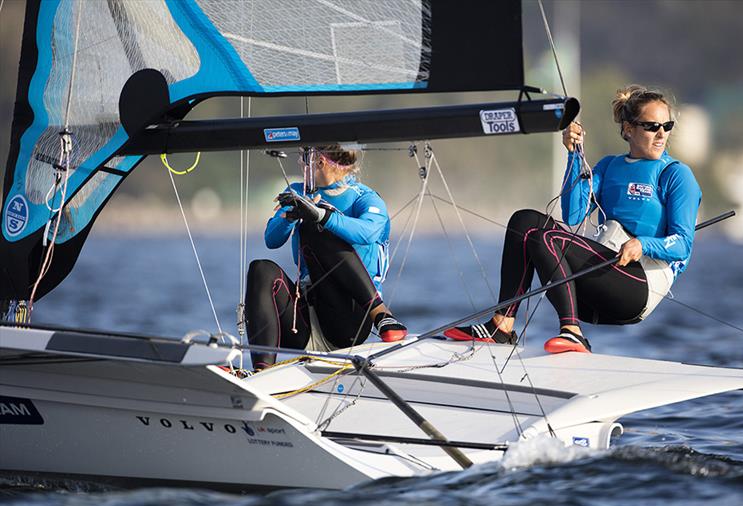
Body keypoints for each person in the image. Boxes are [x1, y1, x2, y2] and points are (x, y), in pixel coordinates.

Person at [445, 85, 702, 353]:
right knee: (524, 222)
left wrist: (642, 244)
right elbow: (573, 214)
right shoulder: (608, 166)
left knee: (546, 238)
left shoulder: (676, 175)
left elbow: (683, 244)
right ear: (628, 129)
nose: (662, 134)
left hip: (639, 286)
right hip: (600, 279)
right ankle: (502, 325)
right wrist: (574, 154)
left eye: (667, 125)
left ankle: (571, 332)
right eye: (651, 126)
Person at [245, 144, 406, 369]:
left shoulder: (366, 198)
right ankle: (261, 372)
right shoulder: (298, 191)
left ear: (317, 161)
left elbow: (367, 232)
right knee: (260, 269)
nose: (300, 164)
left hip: (348, 322)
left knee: (315, 227)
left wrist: (320, 215)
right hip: (303, 321)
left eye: (303, 157)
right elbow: (271, 240)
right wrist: (289, 216)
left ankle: (382, 315)